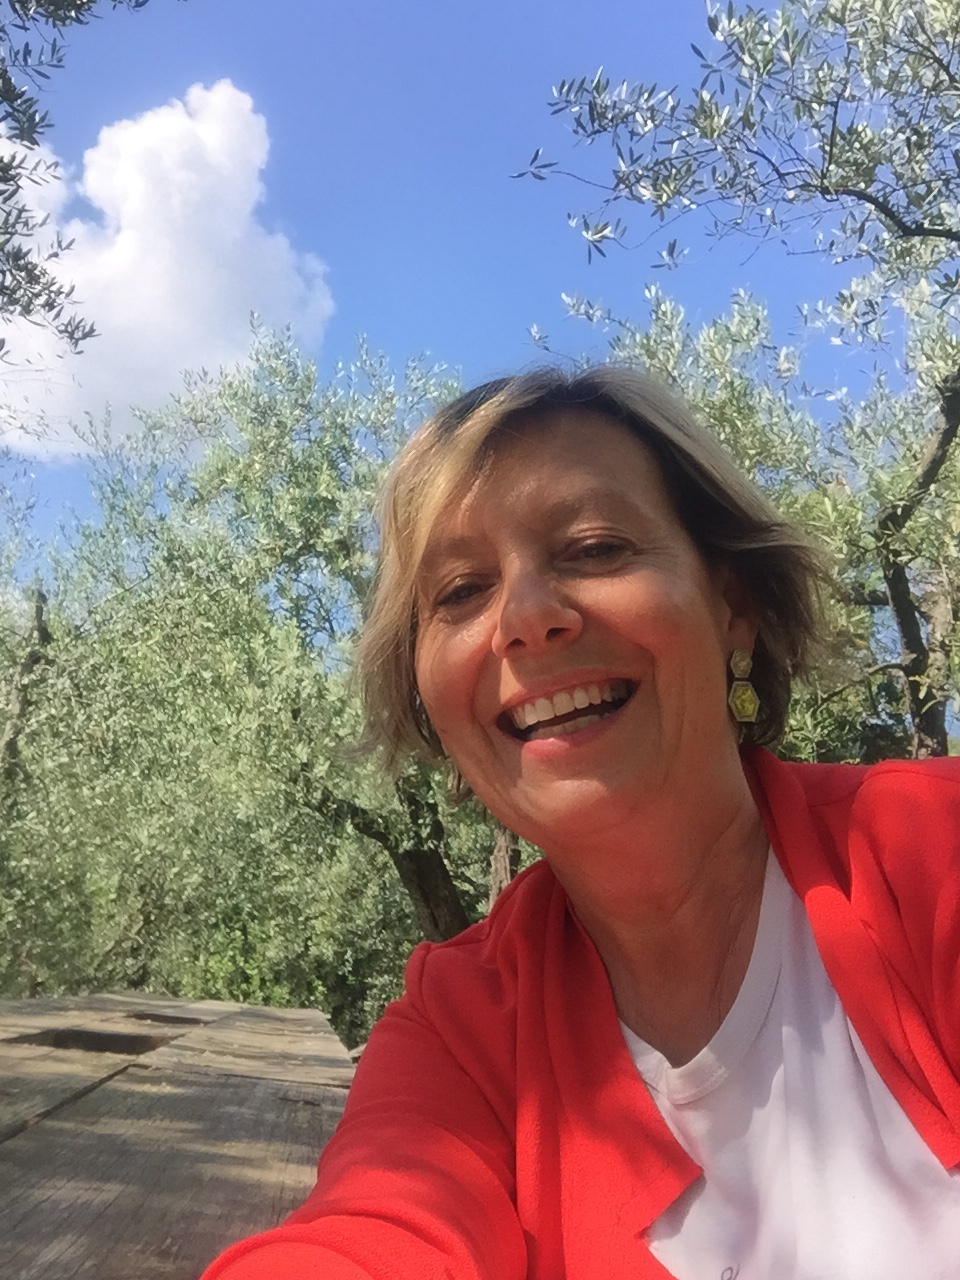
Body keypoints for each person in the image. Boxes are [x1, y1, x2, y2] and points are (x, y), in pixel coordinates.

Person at [200, 367, 960, 1280]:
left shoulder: (932, 849)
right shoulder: (460, 1029)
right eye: (460, 592)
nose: (525, 618)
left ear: (734, 606)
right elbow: (366, 1237)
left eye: (595, 548)